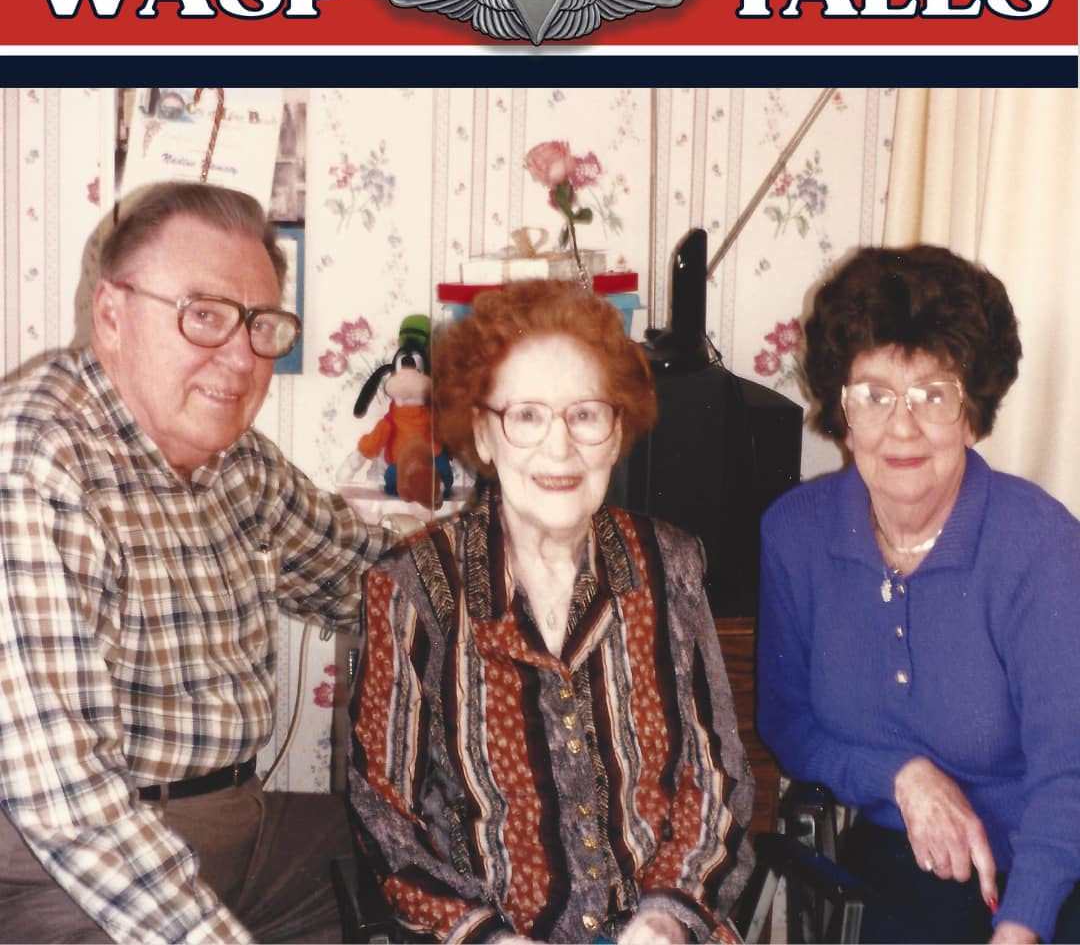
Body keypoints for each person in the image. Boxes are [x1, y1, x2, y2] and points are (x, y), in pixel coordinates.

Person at [0, 182, 388, 943]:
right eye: (204, 314)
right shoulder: (34, 462)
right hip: (72, 863)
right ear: (111, 314)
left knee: (422, 868)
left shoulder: (237, 464)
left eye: (261, 325)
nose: (241, 358)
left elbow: (374, 578)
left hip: (239, 830)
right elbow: (67, 801)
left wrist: (527, 552)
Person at [348, 279, 755, 944]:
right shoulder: (411, 588)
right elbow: (385, 816)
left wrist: (667, 917)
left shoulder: (669, 565)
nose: (560, 448)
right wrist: (483, 935)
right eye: (528, 416)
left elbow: (717, 780)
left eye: (585, 415)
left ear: (617, 431)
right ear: (484, 433)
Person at [757, 244, 1080, 944]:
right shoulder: (794, 535)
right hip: (905, 854)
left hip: (1054, 858)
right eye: (874, 396)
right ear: (843, 412)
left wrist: (1022, 925)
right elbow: (787, 722)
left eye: (933, 395)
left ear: (973, 413)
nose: (901, 428)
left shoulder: (1041, 544)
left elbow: (1070, 772)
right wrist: (900, 775)